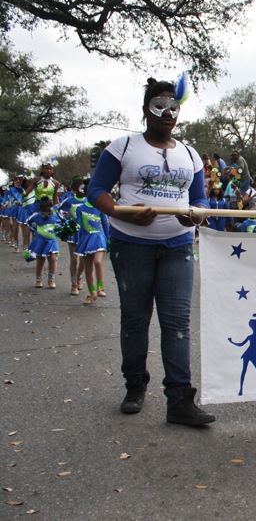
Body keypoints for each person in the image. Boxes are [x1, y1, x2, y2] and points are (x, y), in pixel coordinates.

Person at [86, 76, 214, 426]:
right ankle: (135, 386)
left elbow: (200, 198)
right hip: (131, 245)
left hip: (178, 247)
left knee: (177, 324)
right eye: (159, 106)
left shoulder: (190, 155)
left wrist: (196, 215)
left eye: (174, 107)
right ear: (146, 110)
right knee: (135, 319)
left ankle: (180, 401)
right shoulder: (123, 147)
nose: (167, 113)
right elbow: (96, 189)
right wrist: (119, 212)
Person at [74, 196, 110, 305]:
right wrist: (74, 229)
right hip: (86, 239)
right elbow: (78, 225)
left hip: (99, 238)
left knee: (98, 262)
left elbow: (105, 224)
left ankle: (100, 288)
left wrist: (109, 239)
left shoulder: (100, 208)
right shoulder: (80, 208)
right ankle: (92, 293)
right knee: (88, 268)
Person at [57, 178, 88, 295]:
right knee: (74, 259)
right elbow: (57, 210)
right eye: (80, 187)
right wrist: (65, 222)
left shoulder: (88, 200)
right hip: (73, 233)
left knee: (84, 259)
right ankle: (73, 284)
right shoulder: (69, 200)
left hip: (85, 232)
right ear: (74, 189)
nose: (83, 189)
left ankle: (80, 275)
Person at [25, 197, 59, 289]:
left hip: (52, 241)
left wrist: (60, 231)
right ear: (40, 209)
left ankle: (51, 279)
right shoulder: (36, 216)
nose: (47, 215)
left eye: (49, 211)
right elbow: (28, 221)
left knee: (52, 258)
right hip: (40, 241)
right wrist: (34, 230)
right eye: (44, 212)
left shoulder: (56, 216)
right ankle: (38, 280)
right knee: (40, 261)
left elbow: (62, 224)